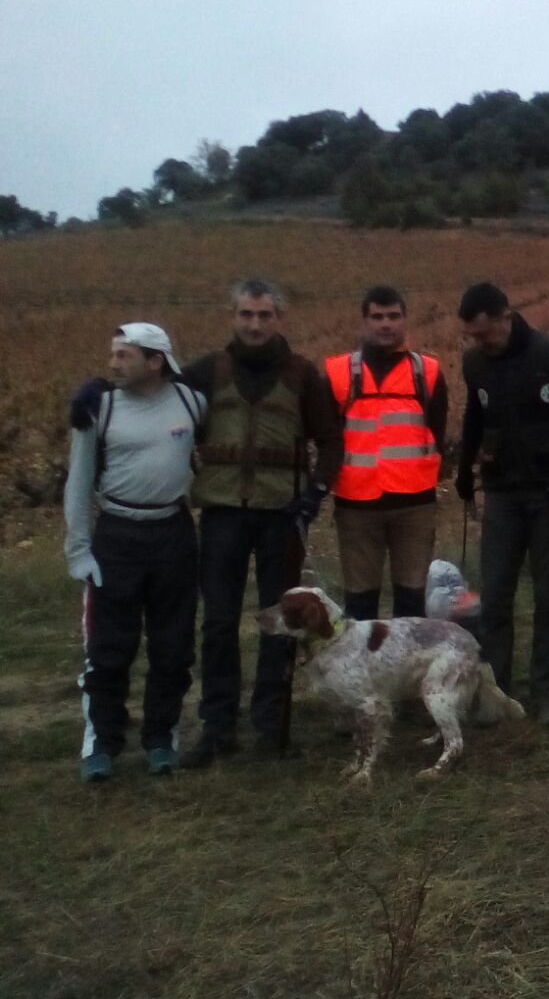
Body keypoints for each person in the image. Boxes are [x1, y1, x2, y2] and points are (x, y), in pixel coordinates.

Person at [181, 280, 341, 767]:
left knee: (281, 625)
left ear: (280, 318)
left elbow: (332, 441)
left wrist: (314, 493)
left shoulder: (302, 374)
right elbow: (156, 401)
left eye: (265, 315)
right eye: (246, 314)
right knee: (219, 622)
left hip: (282, 516)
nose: (255, 324)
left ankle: (271, 726)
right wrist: (103, 392)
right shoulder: (206, 371)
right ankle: (218, 727)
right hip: (223, 513)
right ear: (232, 315)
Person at [456, 283, 549, 725]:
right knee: (496, 596)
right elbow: (473, 418)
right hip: (501, 494)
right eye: (473, 337)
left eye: (485, 334)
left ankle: (546, 695)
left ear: (506, 317)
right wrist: (465, 472)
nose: (480, 343)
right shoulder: (474, 363)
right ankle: (497, 695)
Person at [64, 323, 207, 781]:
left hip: (173, 534)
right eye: (113, 354)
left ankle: (161, 739)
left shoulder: (192, 403)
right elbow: (79, 480)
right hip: (117, 535)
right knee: (109, 649)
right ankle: (101, 744)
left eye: (124, 356)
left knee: (172, 646)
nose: (112, 364)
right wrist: (80, 550)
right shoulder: (97, 409)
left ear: (155, 361)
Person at [324, 285, 447, 622]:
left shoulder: (429, 372)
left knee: (411, 603)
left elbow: (438, 433)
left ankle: (406, 672)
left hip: (414, 505)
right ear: (364, 321)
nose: (385, 324)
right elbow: (327, 439)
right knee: (360, 605)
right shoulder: (337, 373)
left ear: (405, 320)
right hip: (357, 506)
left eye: (393, 316)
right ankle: (365, 674)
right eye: (377, 316)